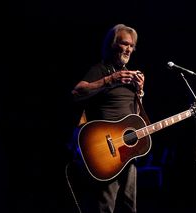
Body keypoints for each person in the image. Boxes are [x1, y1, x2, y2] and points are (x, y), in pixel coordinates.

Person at [67, 23, 145, 213]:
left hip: (128, 148)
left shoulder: (132, 77)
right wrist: (111, 79)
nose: (128, 49)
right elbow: (76, 92)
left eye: (131, 46)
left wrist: (140, 92)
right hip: (106, 148)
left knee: (129, 205)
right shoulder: (101, 70)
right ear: (112, 44)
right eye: (124, 44)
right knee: (105, 205)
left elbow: (135, 116)